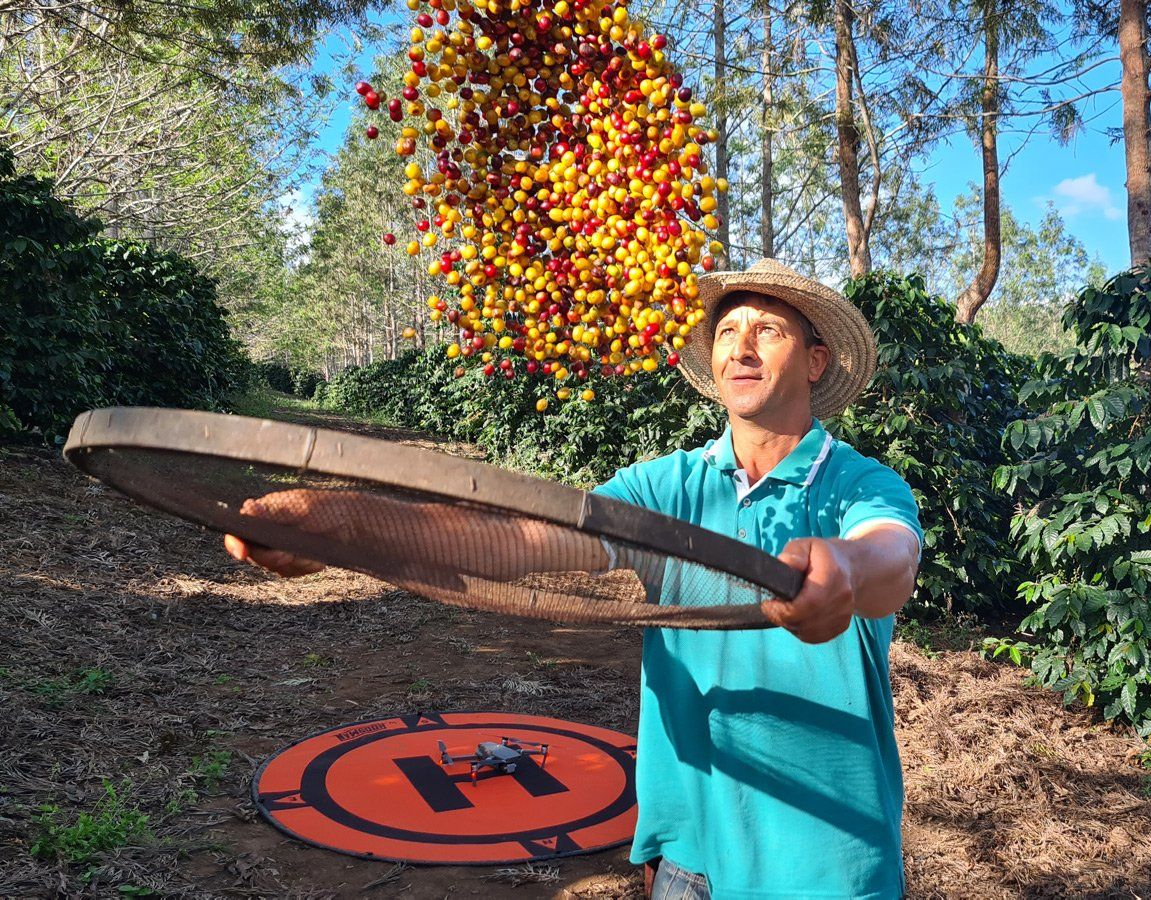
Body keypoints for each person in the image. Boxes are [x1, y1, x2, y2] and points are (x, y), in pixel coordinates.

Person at [224, 258, 923, 899]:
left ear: (814, 361)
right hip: (689, 858)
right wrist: (350, 530)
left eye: (768, 330)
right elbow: (521, 537)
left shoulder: (857, 485)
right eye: (729, 329)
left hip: (825, 860)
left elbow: (891, 558)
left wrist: (847, 572)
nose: (741, 346)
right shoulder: (667, 488)